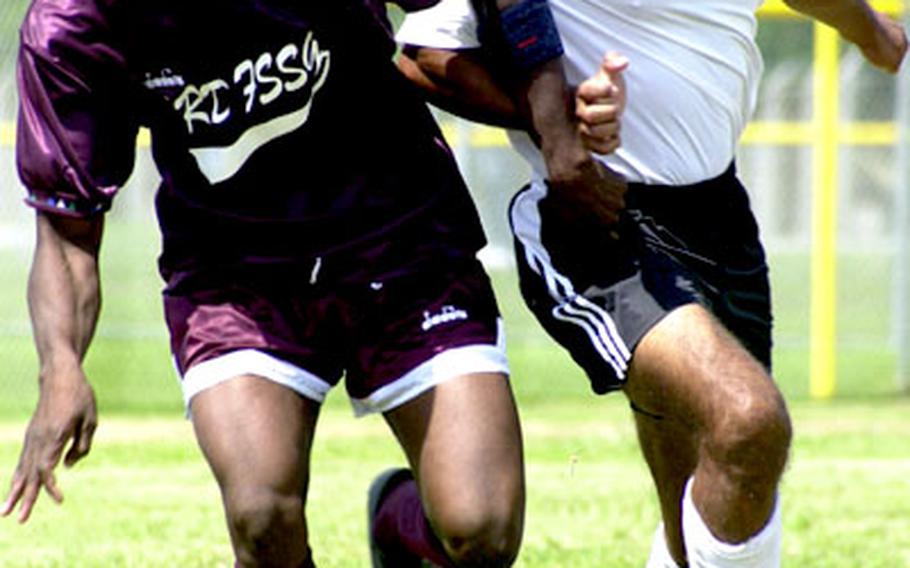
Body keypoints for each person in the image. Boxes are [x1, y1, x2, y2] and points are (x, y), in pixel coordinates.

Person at [0, 1, 537, 566]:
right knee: (261, 520)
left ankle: (397, 523)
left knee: (483, 529)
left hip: (399, 237)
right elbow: (67, 232)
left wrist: (550, 94)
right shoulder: (71, 26)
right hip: (235, 274)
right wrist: (61, 365)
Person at [395, 0, 907, 566]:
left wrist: (872, 32)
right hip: (598, 219)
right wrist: (557, 121)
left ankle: (406, 537)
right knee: (748, 421)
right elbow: (427, 55)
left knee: (711, 494)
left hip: (720, 216)